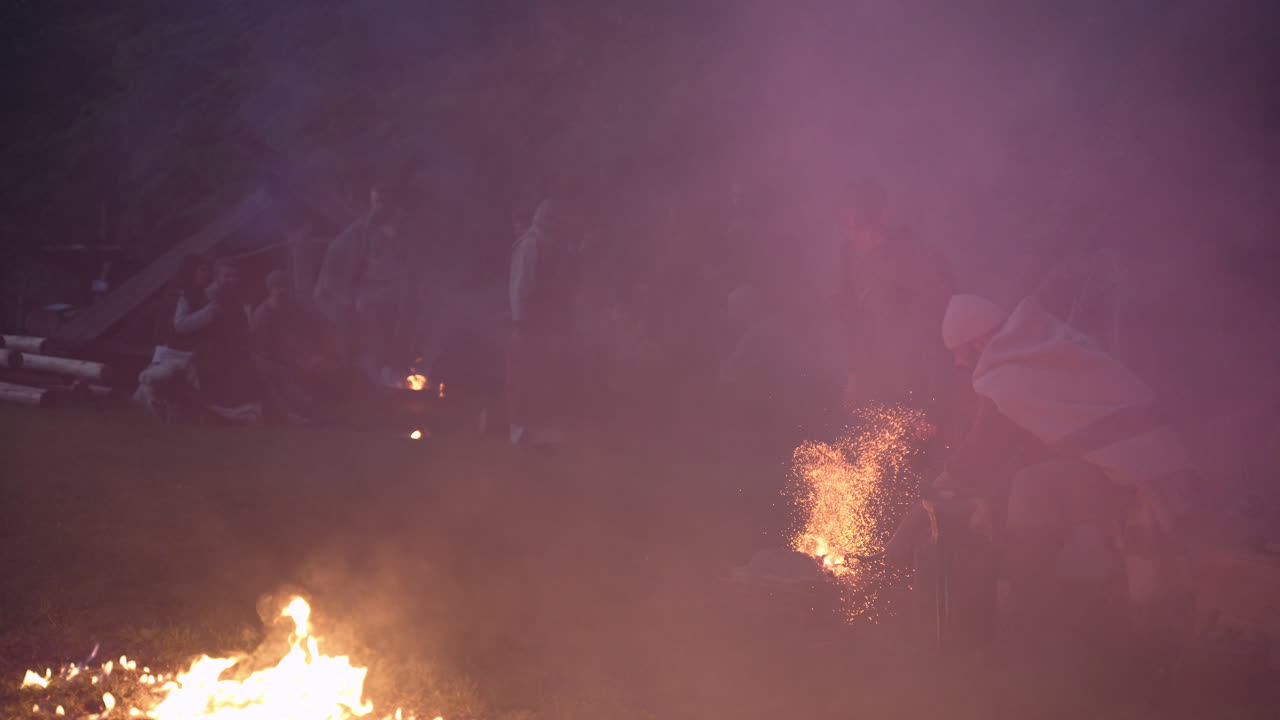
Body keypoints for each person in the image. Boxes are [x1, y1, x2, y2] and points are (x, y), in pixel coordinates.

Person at [921, 293, 1198, 647]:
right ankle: (1041, 609)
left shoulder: (1007, 372)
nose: (960, 364)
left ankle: (1023, 615)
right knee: (1029, 482)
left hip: (1140, 473)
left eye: (960, 353)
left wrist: (945, 480)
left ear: (980, 340)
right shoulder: (1048, 344)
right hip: (1155, 461)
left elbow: (987, 444)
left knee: (1032, 490)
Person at [835, 181, 955, 419]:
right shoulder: (848, 255)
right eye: (847, 228)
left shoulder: (914, 255)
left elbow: (944, 315)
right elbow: (851, 318)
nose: (855, 236)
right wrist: (854, 376)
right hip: (878, 365)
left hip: (922, 366)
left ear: (883, 216)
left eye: (860, 226)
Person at [506, 197, 579, 447]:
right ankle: (519, 429)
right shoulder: (530, 246)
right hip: (530, 320)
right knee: (523, 374)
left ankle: (540, 427)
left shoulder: (554, 246)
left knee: (544, 374)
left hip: (549, 320)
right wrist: (519, 323)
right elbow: (520, 286)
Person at [180, 258, 263, 423]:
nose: (232, 280)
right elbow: (186, 327)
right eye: (227, 276)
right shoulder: (205, 296)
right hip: (208, 354)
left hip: (231, 351)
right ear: (217, 277)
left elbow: (242, 329)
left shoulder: (234, 298)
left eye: (235, 276)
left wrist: (250, 350)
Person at [251, 269, 338, 423]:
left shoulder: (296, 309)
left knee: (327, 368)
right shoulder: (262, 315)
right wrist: (292, 361)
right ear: (270, 289)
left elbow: (312, 332)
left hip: (299, 357)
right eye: (277, 287)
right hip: (274, 364)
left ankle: (328, 408)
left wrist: (314, 355)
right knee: (293, 388)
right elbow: (263, 351)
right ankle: (309, 413)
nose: (282, 291)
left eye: (285, 286)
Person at [133, 255, 210, 421]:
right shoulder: (178, 296)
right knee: (156, 385)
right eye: (202, 269)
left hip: (188, 352)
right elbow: (175, 327)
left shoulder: (201, 295)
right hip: (173, 351)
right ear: (191, 271)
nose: (207, 273)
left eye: (207, 269)